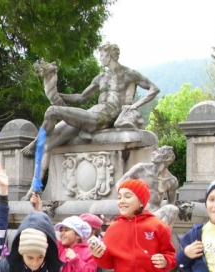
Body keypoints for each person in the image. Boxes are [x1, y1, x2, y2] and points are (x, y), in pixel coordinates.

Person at [21, 43, 160, 198]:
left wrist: (134, 106)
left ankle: (36, 141)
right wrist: (55, 93)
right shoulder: (101, 77)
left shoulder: (128, 74)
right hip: (92, 113)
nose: (100, 58)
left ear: (111, 56)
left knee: (52, 111)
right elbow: (81, 98)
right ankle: (34, 189)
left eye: (102, 55)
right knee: (47, 144)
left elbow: (154, 89)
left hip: (104, 116)